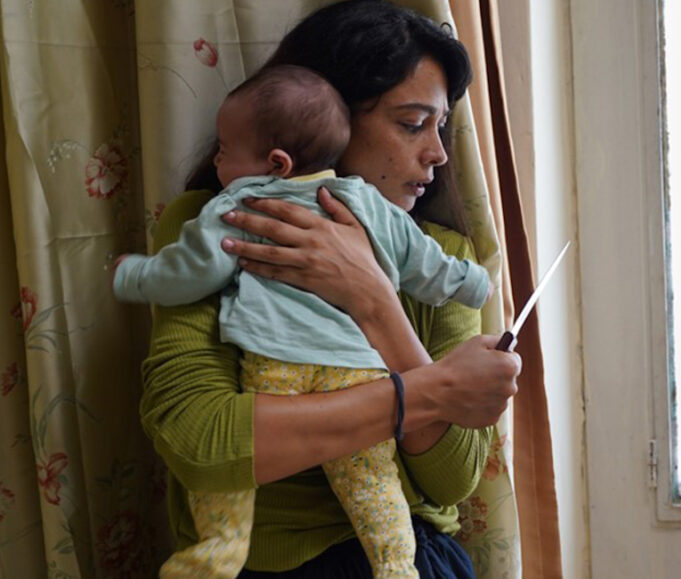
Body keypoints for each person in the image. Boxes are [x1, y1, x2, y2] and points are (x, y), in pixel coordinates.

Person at [139, 1, 518, 576]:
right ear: (325, 117)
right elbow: (200, 442)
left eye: (440, 126)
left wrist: (373, 299)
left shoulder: (444, 257)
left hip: (413, 559)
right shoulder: (220, 224)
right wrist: (434, 391)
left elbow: (453, 479)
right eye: (412, 123)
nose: (438, 153)